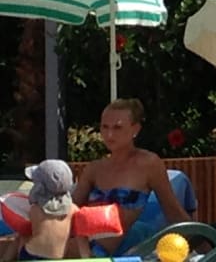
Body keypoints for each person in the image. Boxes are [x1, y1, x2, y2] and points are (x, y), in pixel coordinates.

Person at [73, 98, 192, 256]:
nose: (109, 134)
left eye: (117, 127)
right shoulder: (94, 169)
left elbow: (173, 212)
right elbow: (70, 212)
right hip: (84, 246)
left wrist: (210, 247)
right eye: (105, 127)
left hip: (118, 249)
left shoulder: (148, 164)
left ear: (135, 129)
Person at [19, 159, 90, 260]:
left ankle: (6, 258)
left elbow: (27, 229)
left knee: (22, 236)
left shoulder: (35, 209)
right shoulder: (73, 210)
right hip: (56, 258)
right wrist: (87, 258)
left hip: (30, 254)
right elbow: (81, 239)